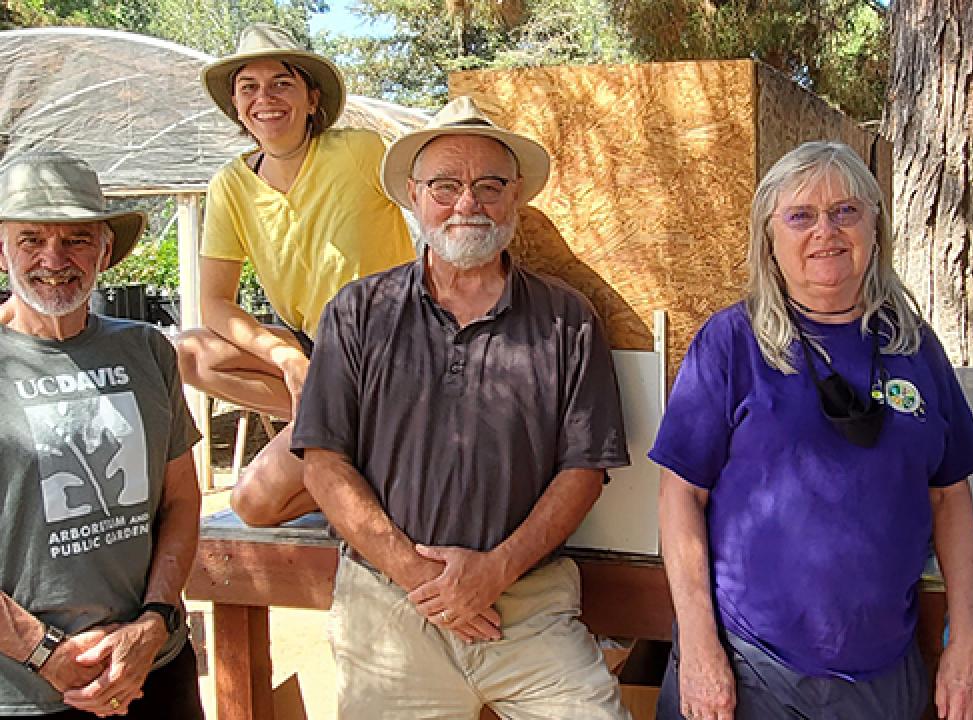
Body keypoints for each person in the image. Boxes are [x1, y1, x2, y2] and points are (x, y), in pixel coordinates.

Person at [291, 96, 631, 719]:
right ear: (415, 197)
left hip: (528, 606)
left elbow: (583, 472)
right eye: (445, 185)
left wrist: (493, 571)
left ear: (516, 196)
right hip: (389, 609)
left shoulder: (566, 318)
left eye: (488, 185)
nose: (467, 203)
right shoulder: (358, 312)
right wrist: (420, 577)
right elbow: (323, 463)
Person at [650, 140, 973, 720]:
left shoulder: (913, 345)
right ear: (770, 240)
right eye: (800, 216)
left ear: (875, 228)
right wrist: (702, 651)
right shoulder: (731, 344)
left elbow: (949, 495)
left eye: (846, 211)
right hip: (749, 669)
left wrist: (965, 643)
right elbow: (680, 496)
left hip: (882, 676)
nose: (825, 231)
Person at [176, 22, 416, 526]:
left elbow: (434, 202)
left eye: (281, 83)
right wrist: (285, 356)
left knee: (250, 503)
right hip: (314, 348)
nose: (265, 98)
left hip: (390, 347)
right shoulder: (231, 185)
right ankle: (358, 435)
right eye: (249, 88)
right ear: (237, 107)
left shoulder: (361, 152)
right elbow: (215, 302)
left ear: (312, 99)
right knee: (189, 353)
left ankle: (374, 443)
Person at [0, 153, 203, 718]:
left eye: (77, 240)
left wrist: (153, 623)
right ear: (0, 250)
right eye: (31, 239)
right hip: (25, 695)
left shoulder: (146, 350)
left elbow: (181, 500)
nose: (54, 259)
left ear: (106, 250)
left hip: (153, 670)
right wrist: (44, 652)